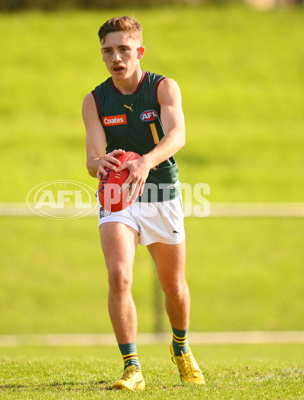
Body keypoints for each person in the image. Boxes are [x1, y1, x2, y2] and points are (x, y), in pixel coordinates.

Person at [82, 16, 204, 391]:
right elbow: (91, 159)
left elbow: (178, 134)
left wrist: (146, 161)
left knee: (173, 286)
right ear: (101, 55)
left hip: (159, 193)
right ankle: (132, 367)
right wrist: (99, 163)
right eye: (108, 51)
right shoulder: (94, 100)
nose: (116, 57)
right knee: (119, 276)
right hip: (117, 195)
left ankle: (181, 347)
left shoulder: (163, 87)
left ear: (139, 51)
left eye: (123, 49)